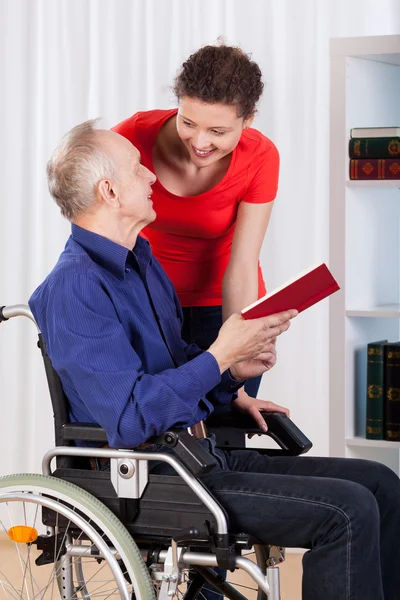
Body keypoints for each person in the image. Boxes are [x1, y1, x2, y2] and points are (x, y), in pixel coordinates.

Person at [29, 120, 400, 600]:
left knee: (381, 484)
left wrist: (232, 375)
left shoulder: (142, 261)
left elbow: (178, 366)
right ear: (110, 190)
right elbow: (130, 416)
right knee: (346, 510)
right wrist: (221, 353)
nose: (152, 177)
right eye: (139, 169)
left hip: (199, 457)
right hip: (150, 477)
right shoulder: (74, 288)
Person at [112, 42, 280, 423]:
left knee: (222, 428)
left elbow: (242, 263)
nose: (200, 143)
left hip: (222, 307)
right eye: (187, 123)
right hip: (150, 304)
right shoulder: (131, 137)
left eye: (218, 131)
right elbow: (103, 229)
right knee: (156, 428)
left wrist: (235, 359)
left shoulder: (261, 156)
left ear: (248, 120)